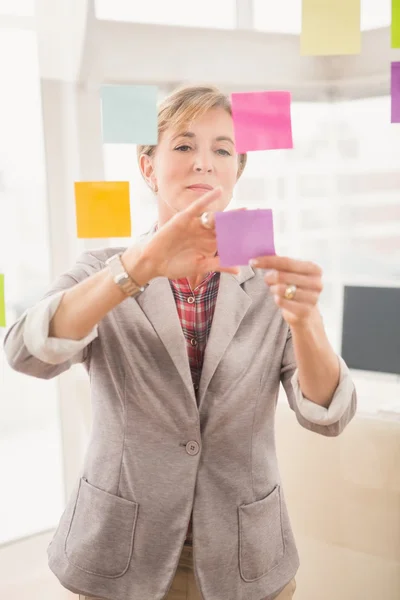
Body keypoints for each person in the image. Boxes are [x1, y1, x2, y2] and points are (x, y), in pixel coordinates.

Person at [3, 84, 357, 600]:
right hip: (121, 552)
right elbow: (24, 353)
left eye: (222, 149)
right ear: (148, 167)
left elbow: (327, 415)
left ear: (237, 170)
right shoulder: (100, 272)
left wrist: (306, 324)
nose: (204, 163)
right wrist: (137, 266)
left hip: (245, 555)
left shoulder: (269, 280)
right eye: (184, 145)